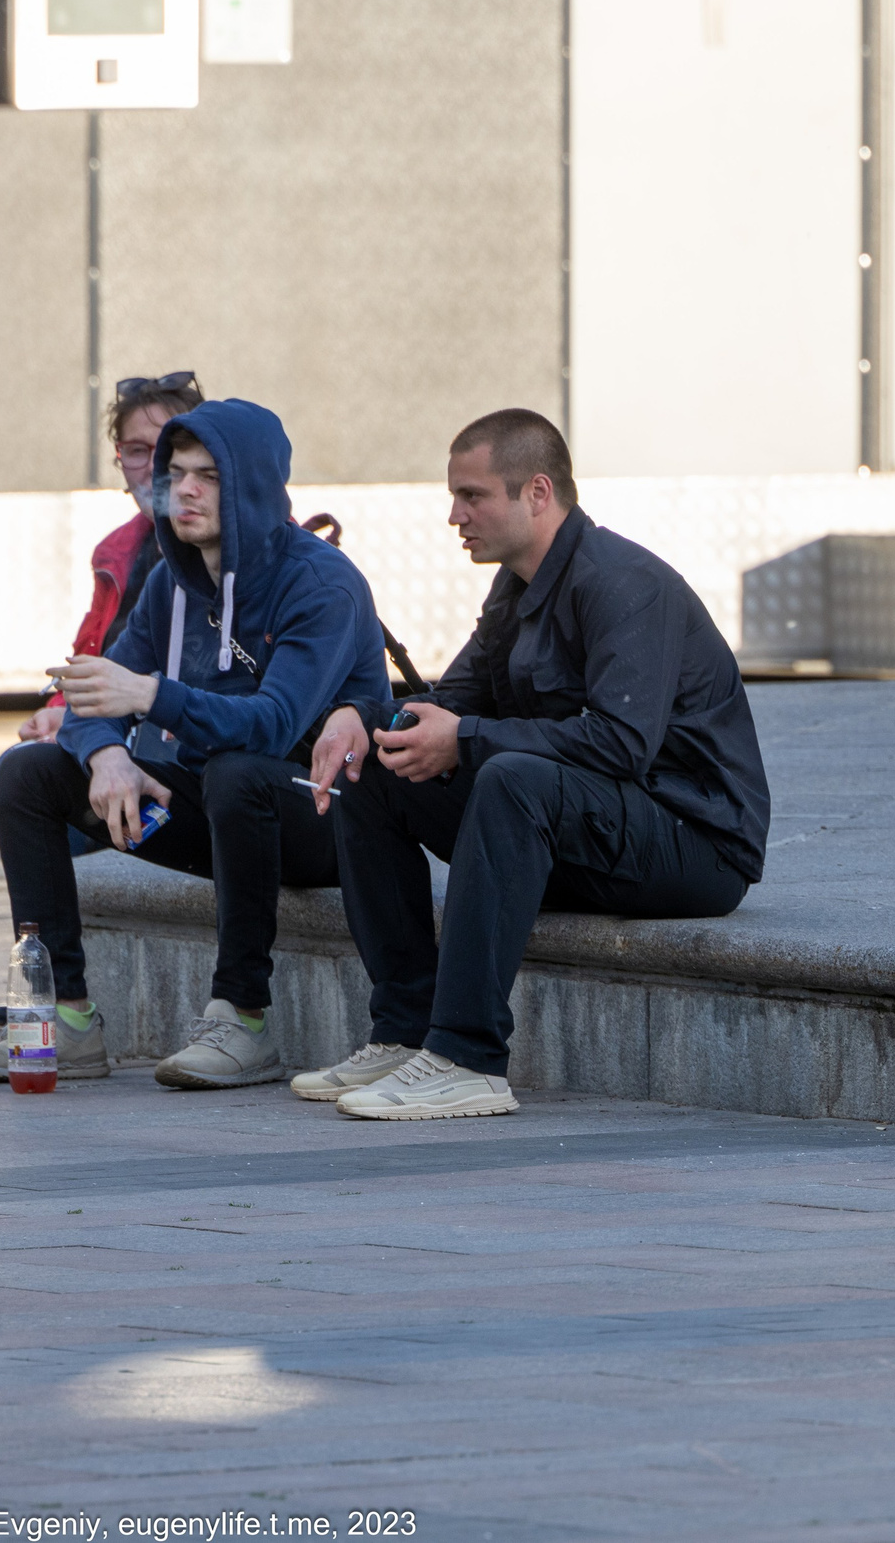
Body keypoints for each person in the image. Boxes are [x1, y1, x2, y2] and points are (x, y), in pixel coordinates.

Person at [296, 409, 771, 1119]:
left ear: (538, 493)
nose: (454, 514)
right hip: (593, 827)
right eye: (453, 496)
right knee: (380, 766)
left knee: (509, 774)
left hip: (694, 839)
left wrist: (472, 737)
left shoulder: (623, 584)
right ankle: (404, 1031)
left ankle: (467, 1057)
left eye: (473, 495)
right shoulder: (517, 586)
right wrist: (360, 719)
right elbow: (450, 701)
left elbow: (618, 745)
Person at [0, 400, 388, 1089]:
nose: (184, 489)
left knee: (238, 768)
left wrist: (150, 695)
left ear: (251, 484)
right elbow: (92, 697)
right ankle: (64, 1019)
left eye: (208, 476)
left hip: (331, 817)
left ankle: (242, 1016)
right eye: (177, 472)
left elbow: (274, 725)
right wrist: (108, 755)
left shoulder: (321, 582)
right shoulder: (171, 579)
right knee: (27, 774)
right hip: (223, 809)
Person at [18, 373, 205, 747]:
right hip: (122, 729)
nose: (155, 467)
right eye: (137, 451)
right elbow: (95, 658)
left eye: (170, 448)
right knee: (20, 771)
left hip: (205, 737)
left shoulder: (257, 548)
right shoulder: (117, 553)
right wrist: (60, 712)